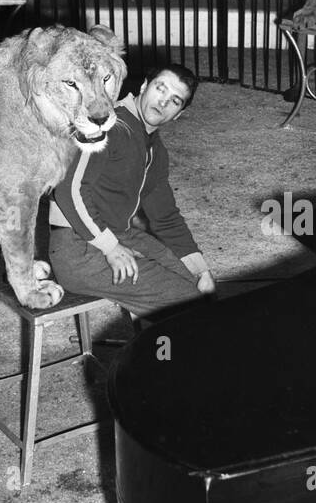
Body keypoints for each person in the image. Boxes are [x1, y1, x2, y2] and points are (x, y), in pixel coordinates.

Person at [48, 63, 215, 315]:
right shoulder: (107, 125)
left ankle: (161, 344)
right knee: (188, 304)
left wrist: (202, 271)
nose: (163, 102)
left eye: (175, 101)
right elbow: (67, 190)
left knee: (200, 288)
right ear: (144, 86)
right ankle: (158, 352)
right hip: (77, 246)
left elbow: (166, 217)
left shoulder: (156, 152)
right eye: (160, 89)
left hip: (119, 234)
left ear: (179, 114)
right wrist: (111, 248)